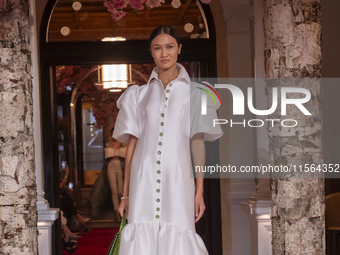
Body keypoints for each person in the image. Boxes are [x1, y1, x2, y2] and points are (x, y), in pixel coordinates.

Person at [112, 25, 223, 255]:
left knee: (180, 233)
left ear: (179, 49)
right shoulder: (138, 95)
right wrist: (125, 194)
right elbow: (132, 146)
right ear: (151, 52)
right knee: (141, 235)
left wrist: (199, 190)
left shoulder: (197, 94)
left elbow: (197, 142)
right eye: (158, 48)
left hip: (179, 177)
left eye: (169, 47)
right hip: (142, 178)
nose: (164, 53)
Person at [105, 127, 127, 222]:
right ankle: (117, 214)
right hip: (111, 166)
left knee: (121, 191)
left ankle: (124, 212)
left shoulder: (122, 144)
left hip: (119, 166)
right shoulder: (108, 144)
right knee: (114, 190)